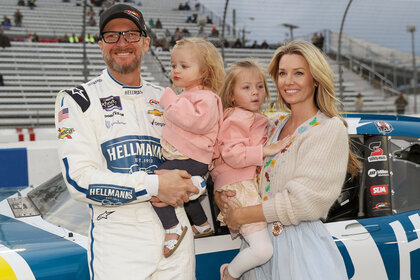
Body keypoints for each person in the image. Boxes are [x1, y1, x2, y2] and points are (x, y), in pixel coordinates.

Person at [54, 4, 198, 280]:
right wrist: (156, 185)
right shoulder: (78, 100)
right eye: (112, 36)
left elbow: (200, 158)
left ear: (145, 43)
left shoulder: (169, 99)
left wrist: (195, 185)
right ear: (100, 45)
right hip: (119, 239)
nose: (121, 43)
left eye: (131, 34)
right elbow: (79, 180)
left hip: (177, 234)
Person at [216, 40, 361, 280]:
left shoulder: (328, 128)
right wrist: (221, 195)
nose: (288, 81)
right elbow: (234, 163)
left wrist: (242, 215)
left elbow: (303, 203)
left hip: (301, 253)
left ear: (315, 79)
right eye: (282, 73)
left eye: (299, 73)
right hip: (259, 249)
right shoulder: (272, 125)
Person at [213, 60, 291, 280]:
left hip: (242, 185)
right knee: (263, 250)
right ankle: (229, 274)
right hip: (239, 187)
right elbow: (232, 154)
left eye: (259, 86)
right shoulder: (236, 118)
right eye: (246, 88)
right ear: (231, 96)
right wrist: (264, 151)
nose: (255, 93)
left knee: (258, 246)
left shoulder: (251, 117)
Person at [153, 37, 225, 257]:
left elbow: (196, 122)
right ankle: (202, 225)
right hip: (188, 157)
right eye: (174, 65)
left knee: (158, 187)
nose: (176, 70)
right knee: (185, 193)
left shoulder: (206, 98)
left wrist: (170, 101)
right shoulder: (189, 94)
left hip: (192, 158)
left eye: (184, 66)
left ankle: (173, 228)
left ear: (203, 72)